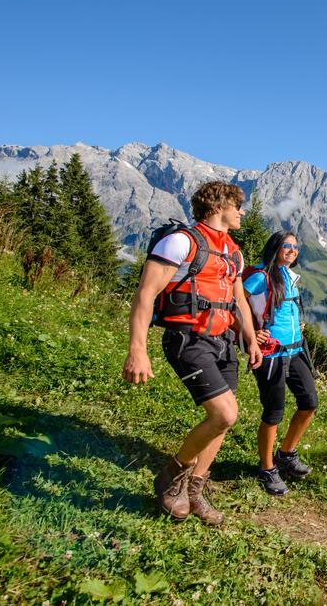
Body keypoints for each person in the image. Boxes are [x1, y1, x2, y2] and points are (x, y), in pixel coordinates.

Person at [122, 181, 262, 525]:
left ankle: (195, 489)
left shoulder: (234, 251)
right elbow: (145, 294)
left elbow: (238, 299)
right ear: (218, 206)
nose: (242, 212)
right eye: (237, 205)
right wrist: (137, 350)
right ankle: (172, 475)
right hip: (188, 339)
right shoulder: (181, 241)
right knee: (225, 415)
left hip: (222, 343)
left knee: (223, 423)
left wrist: (249, 337)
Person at [242, 231, 319, 495]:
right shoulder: (260, 276)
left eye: (296, 247)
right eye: (286, 245)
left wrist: (298, 325)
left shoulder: (290, 276)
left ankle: (286, 454)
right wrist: (250, 331)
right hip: (271, 355)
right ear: (275, 247)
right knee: (274, 412)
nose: (292, 250)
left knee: (309, 403)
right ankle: (267, 469)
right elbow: (234, 300)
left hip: (296, 351)